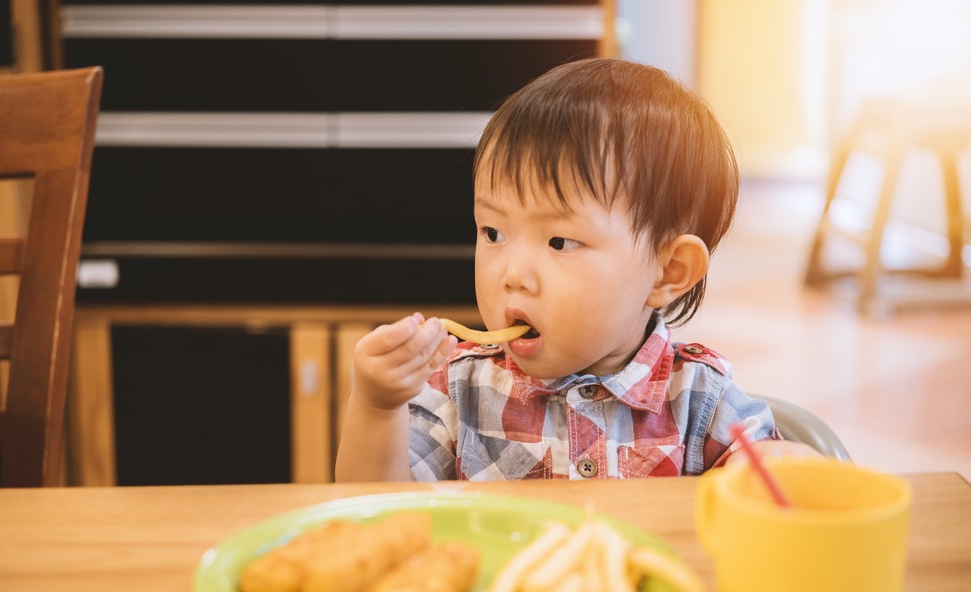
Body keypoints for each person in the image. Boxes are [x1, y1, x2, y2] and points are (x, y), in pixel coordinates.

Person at [336, 58, 800, 482]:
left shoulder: (701, 399)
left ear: (668, 272)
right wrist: (378, 408)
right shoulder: (459, 392)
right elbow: (378, 515)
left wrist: (778, 472)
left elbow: (782, 493)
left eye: (560, 241)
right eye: (493, 232)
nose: (513, 274)